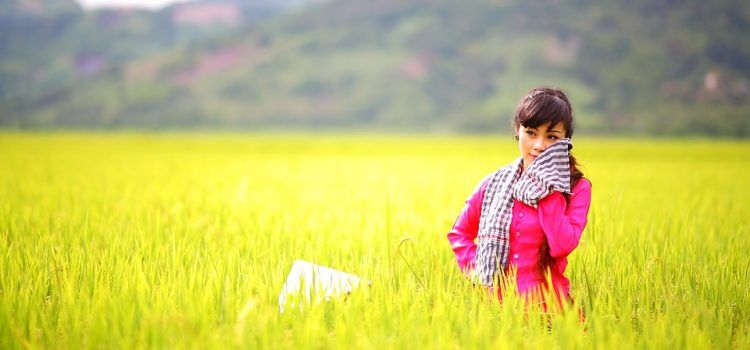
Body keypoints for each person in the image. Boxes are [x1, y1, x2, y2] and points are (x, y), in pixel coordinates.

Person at [447, 87, 592, 310]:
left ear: (566, 141)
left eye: (552, 137)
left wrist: (547, 188)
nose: (539, 145)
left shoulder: (576, 188)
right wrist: (481, 269)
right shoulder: (493, 183)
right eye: (531, 133)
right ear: (518, 130)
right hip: (495, 310)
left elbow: (562, 246)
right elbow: (459, 234)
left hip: (550, 310)